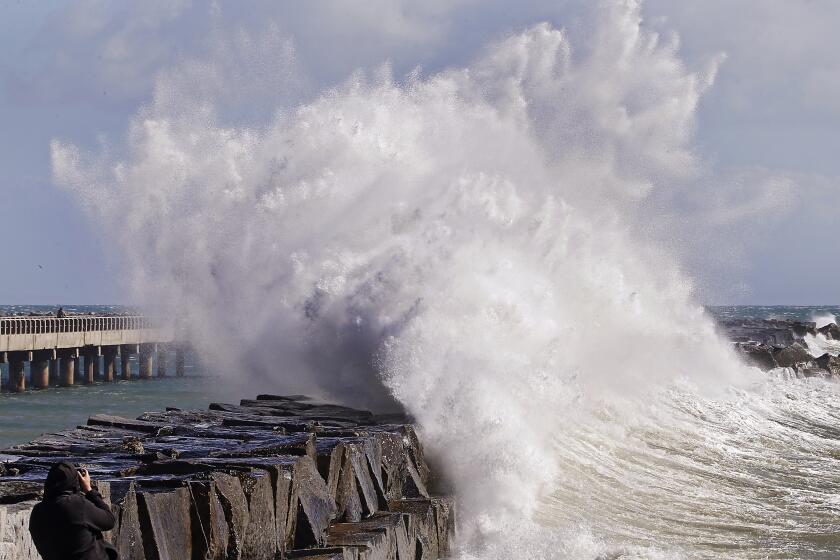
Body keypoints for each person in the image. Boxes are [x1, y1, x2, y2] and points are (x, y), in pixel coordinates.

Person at [29, 461, 118, 560]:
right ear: (74, 481)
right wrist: (89, 490)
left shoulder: (37, 512)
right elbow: (109, 521)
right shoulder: (77, 505)